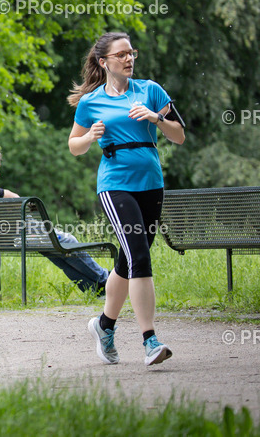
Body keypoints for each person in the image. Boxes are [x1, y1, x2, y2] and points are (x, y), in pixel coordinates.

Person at [68, 32, 185, 367]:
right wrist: (89, 136)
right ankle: (150, 340)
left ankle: (104, 326)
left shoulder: (151, 90)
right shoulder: (91, 101)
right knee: (139, 257)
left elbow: (179, 135)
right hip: (115, 184)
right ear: (104, 62)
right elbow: (74, 145)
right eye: (121, 54)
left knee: (129, 260)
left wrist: (156, 118)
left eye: (132, 53)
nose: (129, 59)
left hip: (151, 182)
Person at [0, 142, 109, 295]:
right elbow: (17, 199)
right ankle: (106, 279)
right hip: (20, 233)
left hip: (4, 236)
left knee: (58, 253)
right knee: (68, 242)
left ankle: (95, 289)